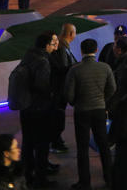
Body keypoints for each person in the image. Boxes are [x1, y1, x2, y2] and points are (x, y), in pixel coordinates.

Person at [64, 38, 115, 190]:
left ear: (81, 50)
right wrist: (103, 101)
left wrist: (75, 102)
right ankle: (109, 177)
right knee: (103, 145)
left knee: (82, 147)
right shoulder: (105, 68)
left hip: (81, 111)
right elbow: (112, 89)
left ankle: (84, 181)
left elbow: (68, 93)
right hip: (99, 109)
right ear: (96, 50)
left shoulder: (75, 70)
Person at [19, 31, 57, 189]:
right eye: (53, 44)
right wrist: (50, 93)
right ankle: (41, 178)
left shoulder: (28, 57)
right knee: (42, 143)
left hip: (25, 106)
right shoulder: (43, 61)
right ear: (47, 46)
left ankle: (27, 174)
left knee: (27, 141)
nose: (55, 47)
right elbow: (41, 84)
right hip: (39, 107)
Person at [49, 23, 77, 156]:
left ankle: (55, 138)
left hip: (59, 88)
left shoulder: (63, 46)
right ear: (72, 34)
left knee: (58, 115)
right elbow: (63, 70)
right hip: (59, 89)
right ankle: (55, 140)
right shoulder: (62, 48)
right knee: (58, 115)